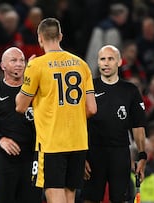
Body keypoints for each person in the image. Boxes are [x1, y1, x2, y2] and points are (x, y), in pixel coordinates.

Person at [15, 18, 97, 203]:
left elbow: (20, 106)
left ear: (40, 38)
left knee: (54, 193)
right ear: (60, 36)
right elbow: (92, 108)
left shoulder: (36, 66)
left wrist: (28, 70)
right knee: (70, 195)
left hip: (52, 141)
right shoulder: (81, 64)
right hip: (78, 141)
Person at [82, 45, 147, 203]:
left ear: (119, 62)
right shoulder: (88, 88)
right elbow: (79, 124)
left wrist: (142, 155)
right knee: (90, 199)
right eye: (102, 59)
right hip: (93, 153)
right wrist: (81, 156)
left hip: (120, 153)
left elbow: (138, 126)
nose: (106, 63)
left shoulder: (130, 90)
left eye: (110, 59)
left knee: (120, 199)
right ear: (98, 62)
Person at [0, 47, 42, 203]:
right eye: (14, 60)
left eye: (22, 60)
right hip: (4, 159)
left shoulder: (37, 91)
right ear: (3, 65)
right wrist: (0, 139)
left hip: (32, 157)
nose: (19, 64)